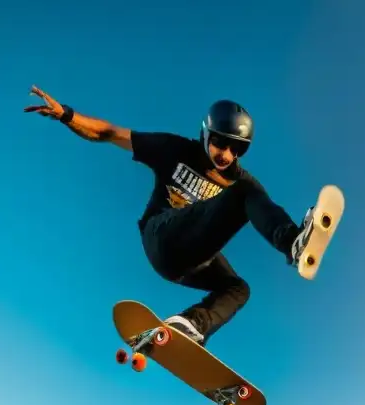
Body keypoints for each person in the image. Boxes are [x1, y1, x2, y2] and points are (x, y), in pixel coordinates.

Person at [24, 85, 321, 346]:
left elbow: (264, 208)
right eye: (220, 143)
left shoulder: (241, 181)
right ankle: (292, 242)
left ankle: (192, 325)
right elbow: (109, 133)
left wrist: (287, 231)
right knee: (241, 194)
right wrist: (67, 115)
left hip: (192, 260)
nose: (226, 155)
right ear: (205, 134)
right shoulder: (173, 149)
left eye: (235, 149)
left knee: (238, 288)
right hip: (161, 237)